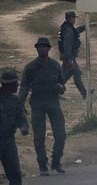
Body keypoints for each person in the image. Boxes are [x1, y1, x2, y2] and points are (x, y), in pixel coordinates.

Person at [18, 37, 67, 175]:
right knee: (39, 137)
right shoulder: (30, 67)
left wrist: (60, 87)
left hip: (53, 102)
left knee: (61, 135)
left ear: (49, 48)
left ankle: (56, 162)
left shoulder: (55, 66)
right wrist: (19, 104)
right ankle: (42, 165)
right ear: (36, 48)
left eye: (44, 46)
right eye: (39, 46)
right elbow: (24, 87)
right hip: (37, 103)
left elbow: (63, 85)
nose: (41, 48)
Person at [57, 11, 88, 99]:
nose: (75, 20)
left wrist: (86, 26)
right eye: (74, 18)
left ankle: (84, 93)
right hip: (68, 56)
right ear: (70, 18)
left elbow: (76, 31)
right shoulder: (68, 30)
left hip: (67, 56)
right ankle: (56, 90)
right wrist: (70, 58)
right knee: (71, 73)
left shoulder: (66, 27)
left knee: (72, 73)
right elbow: (67, 45)